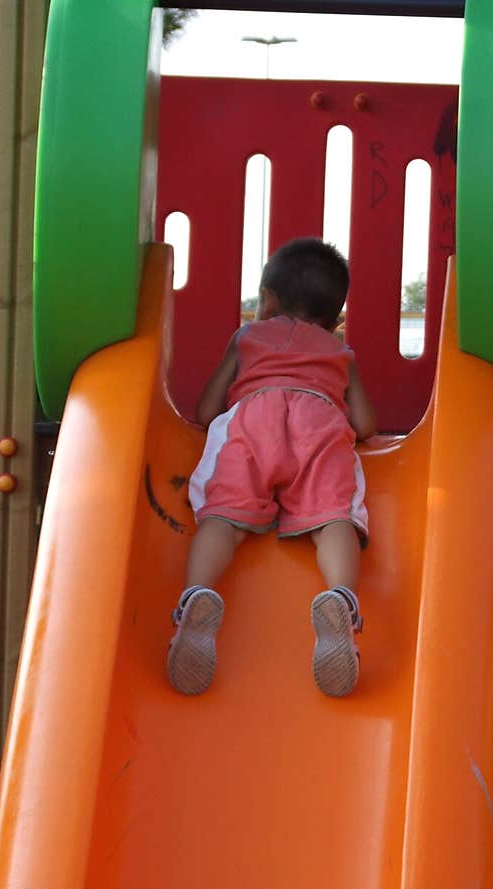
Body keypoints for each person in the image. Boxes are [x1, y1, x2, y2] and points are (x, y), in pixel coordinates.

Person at [167, 237, 377, 699]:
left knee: (222, 515)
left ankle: (197, 596)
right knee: (334, 518)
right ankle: (341, 600)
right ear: (336, 318)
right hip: (319, 425)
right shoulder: (340, 354)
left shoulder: (247, 338)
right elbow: (365, 424)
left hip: (252, 422)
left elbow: (206, 410)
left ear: (267, 300)